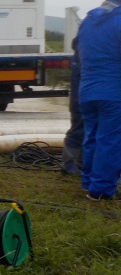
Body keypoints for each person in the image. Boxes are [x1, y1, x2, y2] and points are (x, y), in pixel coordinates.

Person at [77, 0, 121, 200]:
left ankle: (88, 183)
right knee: (110, 140)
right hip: (112, 92)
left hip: (87, 90)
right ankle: (101, 190)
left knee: (91, 137)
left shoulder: (88, 20)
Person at [61, 36, 83, 175]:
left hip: (85, 94)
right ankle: (70, 164)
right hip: (83, 96)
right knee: (80, 128)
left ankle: (77, 164)